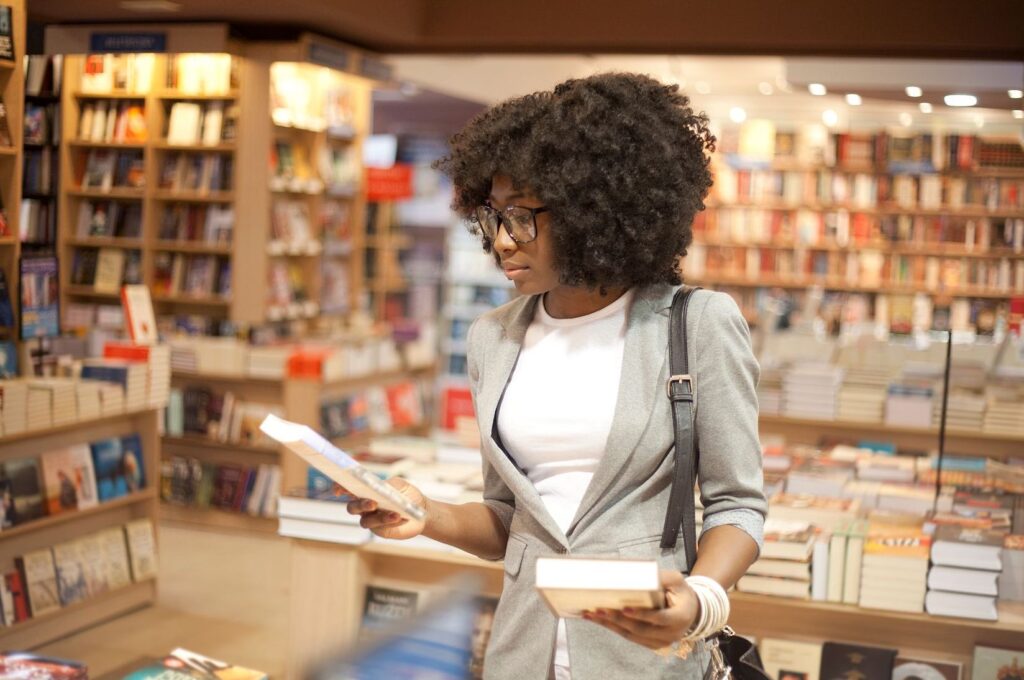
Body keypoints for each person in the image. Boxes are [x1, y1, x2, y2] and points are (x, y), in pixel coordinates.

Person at [348, 72, 767, 679]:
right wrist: (426, 512)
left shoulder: (695, 324)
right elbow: (506, 517)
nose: (500, 242)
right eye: (492, 217)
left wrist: (703, 597)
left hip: (645, 657)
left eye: (521, 217)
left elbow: (737, 504)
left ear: (592, 210)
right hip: (523, 652)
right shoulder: (493, 337)